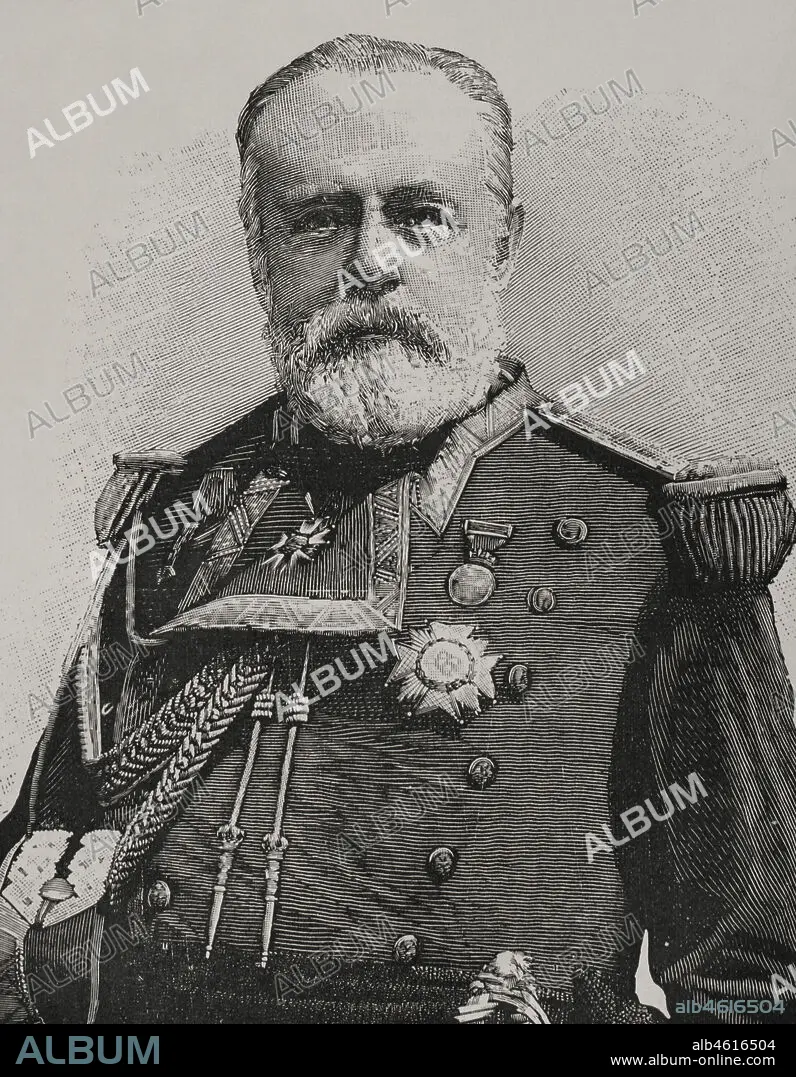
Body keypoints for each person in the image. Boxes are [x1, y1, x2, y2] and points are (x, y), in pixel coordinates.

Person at [2, 33, 796, 1026]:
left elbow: (747, 989)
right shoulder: (177, 519)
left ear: (501, 244)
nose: (371, 262)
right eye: (319, 221)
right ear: (259, 254)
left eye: (419, 215)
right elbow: (38, 869)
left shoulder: (648, 538)